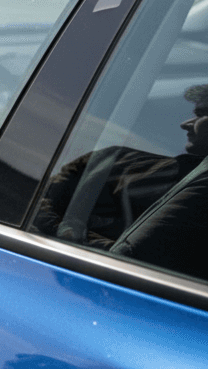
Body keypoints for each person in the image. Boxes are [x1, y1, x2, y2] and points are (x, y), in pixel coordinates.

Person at [35, 84, 208, 279]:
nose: (185, 123)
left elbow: (136, 259)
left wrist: (63, 230)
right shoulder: (113, 159)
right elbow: (35, 199)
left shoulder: (114, 160)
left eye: (201, 115)